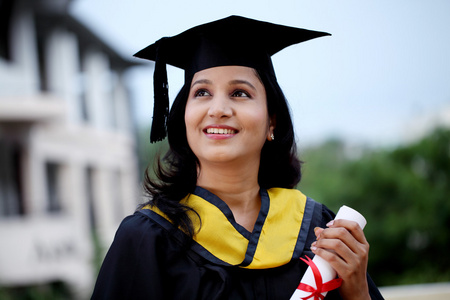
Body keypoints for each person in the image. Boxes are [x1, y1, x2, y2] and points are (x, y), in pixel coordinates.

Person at [91, 16, 384, 300]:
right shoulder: (147, 239)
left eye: (240, 93)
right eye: (202, 92)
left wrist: (357, 292)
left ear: (272, 121)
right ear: (183, 116)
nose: (218, 109)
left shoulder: (317, 228)